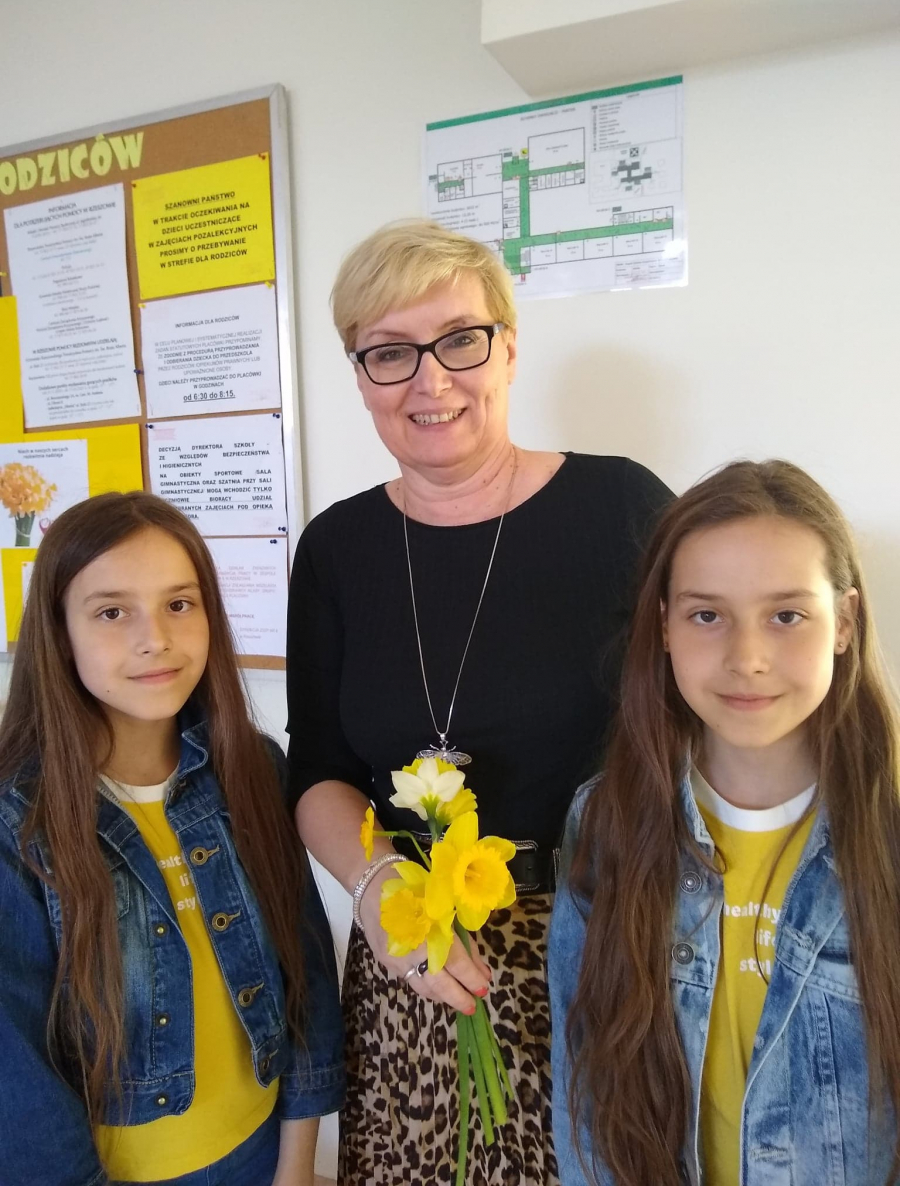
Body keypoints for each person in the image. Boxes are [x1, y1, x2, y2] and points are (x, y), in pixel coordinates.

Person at [285, 219, 672, 1185]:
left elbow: (699, 728)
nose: (431, 379)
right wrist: (381, 896)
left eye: (459, 339)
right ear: (360, 374)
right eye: (390, 353)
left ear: (507, 347)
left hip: (601, 954)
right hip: (413, 963)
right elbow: (319, 772)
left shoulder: (622, 509)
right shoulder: (336, 550)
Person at [549, 459, 900, 1186]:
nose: (748, 658)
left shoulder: (886, 831)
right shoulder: (607, 821)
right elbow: (585, 1094)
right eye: (707, 615)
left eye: (786, 616)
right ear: (664, 627)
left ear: (844, 622)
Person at [0, 493, 345, 1186]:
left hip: (264, 1154)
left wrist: (297, 1164)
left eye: (179, 604)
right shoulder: (20, 822)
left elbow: (304, 967)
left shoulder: (253, 770)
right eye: (111, 612)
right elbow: (18, 1077)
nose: (154, 638)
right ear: (59, 634)